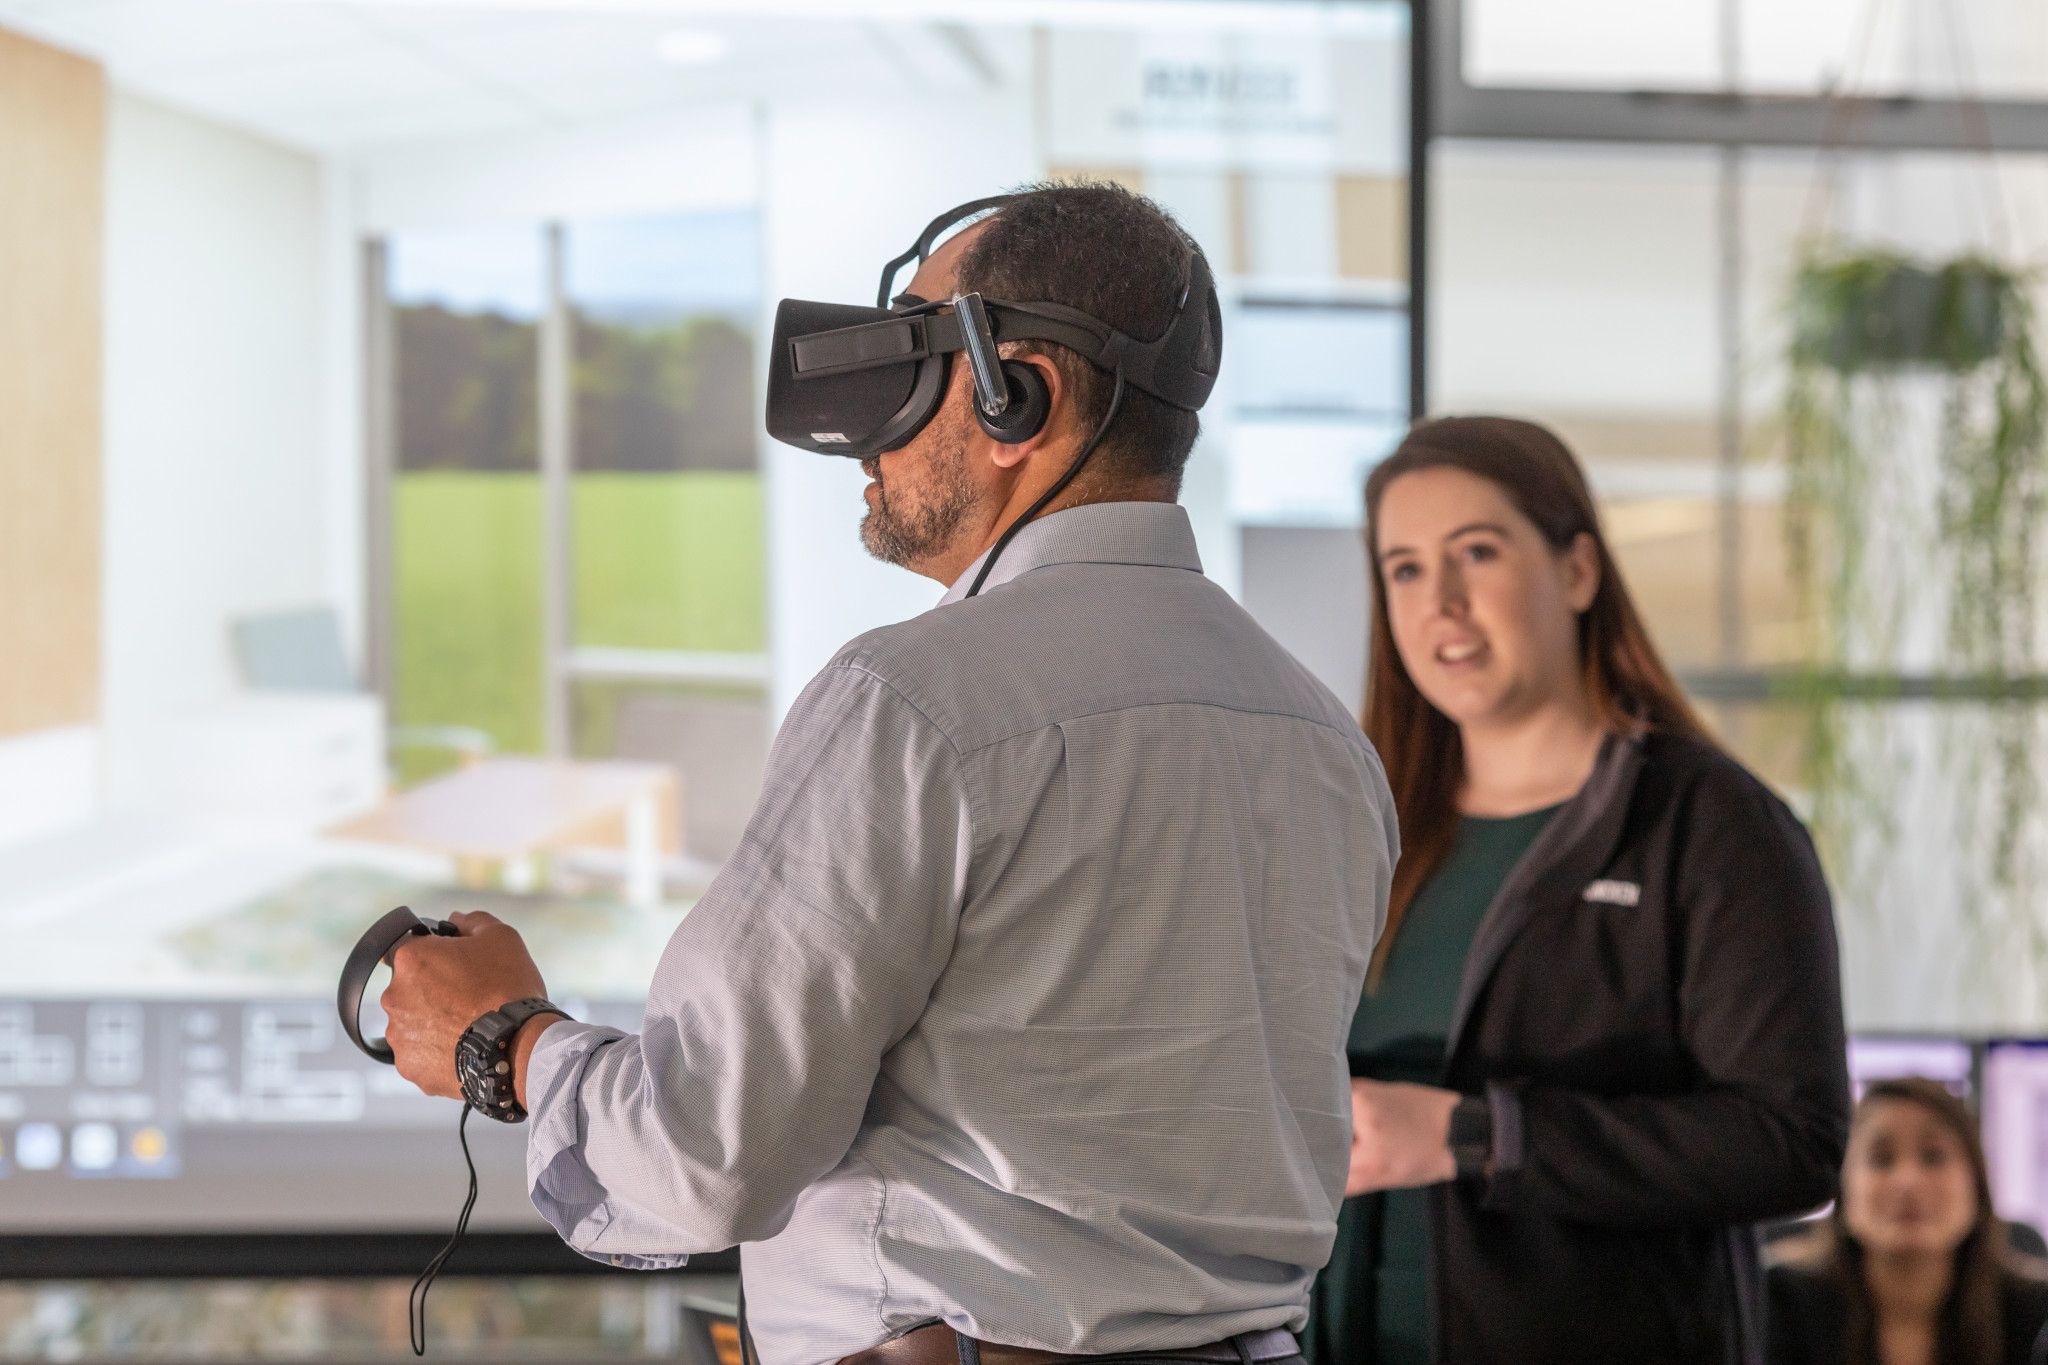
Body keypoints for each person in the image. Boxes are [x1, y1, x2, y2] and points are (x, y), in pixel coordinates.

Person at [378, 182, 1398, 1365]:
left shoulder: (914, 701)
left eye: (912, 359)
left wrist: (504, 1042)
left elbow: (703, 1159)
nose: (866, 433)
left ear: (1018, 393)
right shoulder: (1322, 738)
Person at [1303, 415, 1852, 1365]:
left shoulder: (1712, 824)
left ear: (1579, 571)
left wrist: (1475, 1134)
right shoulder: (1362, 827)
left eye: (1478, 552)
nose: (1441, 602)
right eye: (1406, 569)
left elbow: (1788, 1142)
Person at [1768, 1078, 2048, 1365]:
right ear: (1842, 1192)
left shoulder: (2036, 1316)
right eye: (1881, 1159)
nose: (1907, 1181)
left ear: (1977, 1186)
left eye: (1933, 1156)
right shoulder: (1779, 1305)